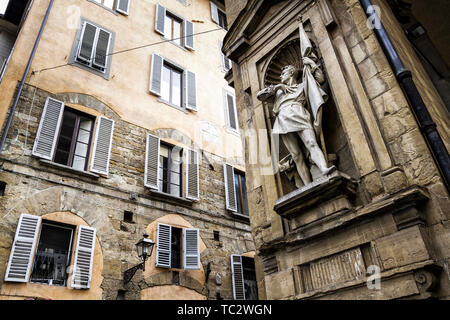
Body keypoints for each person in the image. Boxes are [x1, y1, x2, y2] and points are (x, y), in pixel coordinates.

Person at [257, 62, 335, 186]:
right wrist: (278, 87)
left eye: (283, 72)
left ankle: (324, 168)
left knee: (311, 143)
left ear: (292, 72)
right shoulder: (279, 92)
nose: (281, 75)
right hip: (283, 117)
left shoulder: (303, 85)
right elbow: (260, 96)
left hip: (299, 113)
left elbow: (321, 79)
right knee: (296, 155)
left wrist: (311, 64)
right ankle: (308, 184)